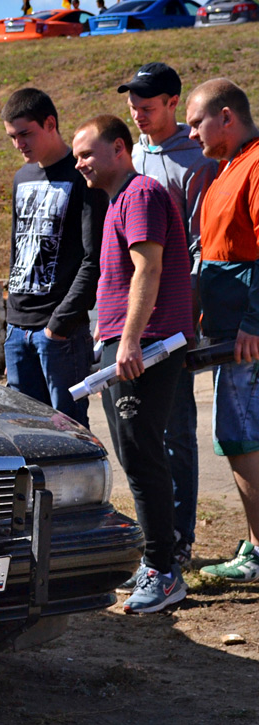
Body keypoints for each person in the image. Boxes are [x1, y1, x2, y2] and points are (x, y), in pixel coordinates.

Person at [72, 114, 193, 613]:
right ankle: (157, 560)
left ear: (119, 149)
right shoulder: (118, 199)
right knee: (135, 454)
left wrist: (130, 340)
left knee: (143, 456)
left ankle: (164, 571)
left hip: (146, 345)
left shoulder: (140, 194)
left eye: (86, 153)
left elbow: (150, 266)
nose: (79, 163)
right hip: (132, 343)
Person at [119, 62, 219, 569]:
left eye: (148, 106)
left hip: (179, 312)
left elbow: (203, 241)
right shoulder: (132, 152)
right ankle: (155, 530)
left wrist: (194, 314)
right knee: (143, 430)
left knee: (178, 426)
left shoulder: (195, 158)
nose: (138, 114)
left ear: (173, 103)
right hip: (139, 313)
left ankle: (179, 537)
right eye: (133, 106)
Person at [186, 78, 259, 582]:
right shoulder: (225, 167)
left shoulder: (255, 164)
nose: (191, 134)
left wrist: (254, 323)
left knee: (240, 438)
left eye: (196, 122)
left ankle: (258, 550)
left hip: (244, 335)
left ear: (227, 116)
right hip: (227, 331)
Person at [2, 88, 108, 427]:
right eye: (12, 137)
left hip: (59, 332)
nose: (19, 144)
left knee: (69, 429)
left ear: (50, 124)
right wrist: (11, 315)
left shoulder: (82, 176)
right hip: (18, 329)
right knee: (27, 432)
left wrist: (60, 324)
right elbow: (19, 248)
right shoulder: (22, 177)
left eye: (25, 134)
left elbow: (94, 258)